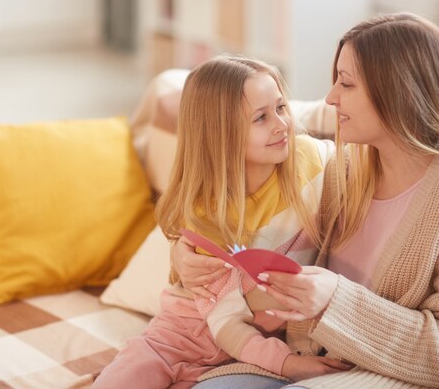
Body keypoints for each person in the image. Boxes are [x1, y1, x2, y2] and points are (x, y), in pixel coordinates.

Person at [172, 13, 439, 388]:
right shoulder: (344, 171)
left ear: (399, 91)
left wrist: (335, 302)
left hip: (409, 378)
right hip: (315, 360)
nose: (331, 97)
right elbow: (230, 181)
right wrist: (182, 252)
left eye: (346, 83)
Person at [91, 54, 346, 389]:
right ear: (220, 134)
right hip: (177, 340)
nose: (281, 124)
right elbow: (225, 322)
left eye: (281, 108)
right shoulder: (205, 213)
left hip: (247, 355)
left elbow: (354, 119)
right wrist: (289, 365)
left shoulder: (311, 160)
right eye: (260, 118)